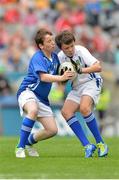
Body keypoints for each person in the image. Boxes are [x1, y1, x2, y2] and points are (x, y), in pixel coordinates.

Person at [15, 28, 74, 158]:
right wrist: (61, 78)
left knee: (52, 130)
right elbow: (43, 77)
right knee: (33, 110)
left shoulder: (54, 58)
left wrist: (68, 76)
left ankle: (28, 143)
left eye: (52, 40)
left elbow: (60, 79)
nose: (53, 43)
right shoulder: (37, 57)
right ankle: (20, 147)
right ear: (41, 45)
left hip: (41, 98)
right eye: (49, 41)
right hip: (28, 91)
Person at [55, 30, 108, 158]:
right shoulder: (60, 57)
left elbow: (98, 67)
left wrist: (80, 70)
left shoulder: (81, 50)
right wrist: (63, 79)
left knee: (85, 108)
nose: (70, 49)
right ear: (61, 48)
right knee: (66, 112)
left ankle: (101, 143)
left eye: (72, 45)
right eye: (66, 48)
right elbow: (62, 80)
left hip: (91, 81)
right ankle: (87, 145)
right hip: (77, 87)